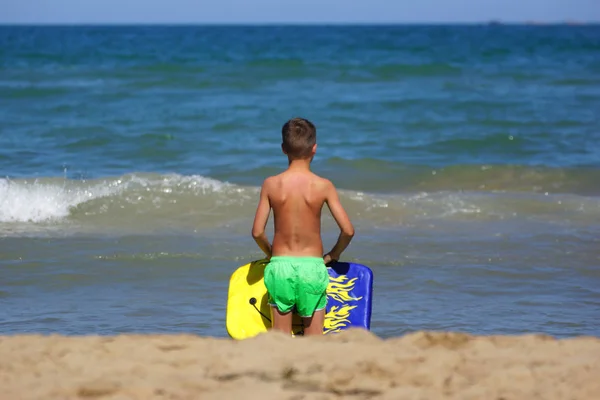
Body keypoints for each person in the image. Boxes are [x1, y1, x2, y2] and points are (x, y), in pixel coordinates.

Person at [251, 117, 355, 336]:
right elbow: (348, 230)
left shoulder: (271, 184)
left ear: (283, 149)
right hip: (312, 268)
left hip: (280, 266)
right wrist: (333, 255)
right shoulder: (323, 186)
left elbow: (257, 232)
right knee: (314, 344)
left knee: (280, 340)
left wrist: (271, 254)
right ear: (314, 148)